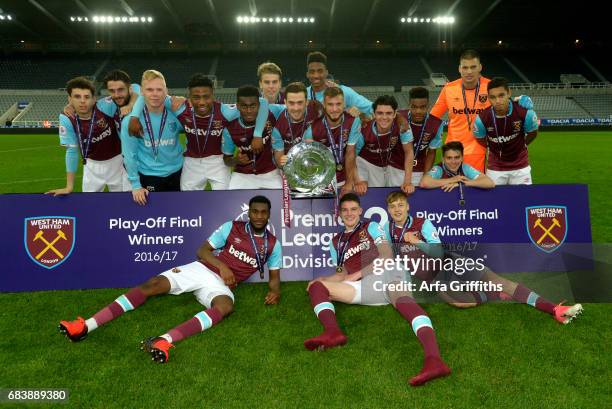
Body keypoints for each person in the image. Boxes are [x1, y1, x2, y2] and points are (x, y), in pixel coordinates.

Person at [59, 195, 282, 363]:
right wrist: (222, 266)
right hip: (203, 269)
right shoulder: (232, 227)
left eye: (264, 212)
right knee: (152, 285)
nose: (259, 216)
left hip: (220, 286)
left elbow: (274, 278)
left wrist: (275, 291)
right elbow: (202, 251)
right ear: (249, 213)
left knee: (226, 307)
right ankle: (85, 326)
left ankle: (164, 340)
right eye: (255, 212)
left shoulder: (272, 244)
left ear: (268, 214)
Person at [129, 74, 270, 191]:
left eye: (206, 96)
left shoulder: (225, 111)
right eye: (196, 97)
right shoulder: (180, 108)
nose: (202, 102)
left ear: (213, 94)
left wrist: (257, 134)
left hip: (217, 161)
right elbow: (146, 94)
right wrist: (134, 116)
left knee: (225, 198)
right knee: (188, 200)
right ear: (189, 95)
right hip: (191, 162)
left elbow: (262, 102)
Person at [381, 191, 451, 386]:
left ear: (408, 207)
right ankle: (433, 359)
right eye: (393, 206)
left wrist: (416, 241)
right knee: (402, 298)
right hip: (408, 274)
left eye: (400, 205)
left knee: (458, 301)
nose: (397, 209)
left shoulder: (423, 223)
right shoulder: (387, 228)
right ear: (388, 210)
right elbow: (387, 255)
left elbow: (438, 253)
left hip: (432, 272)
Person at [46, 76, 129, 195]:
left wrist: (129, 105)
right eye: (77, 96)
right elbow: (72, 151)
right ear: (69, 99)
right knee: (90, 207)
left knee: (122, 204)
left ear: (94, 99)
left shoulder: (105, 106)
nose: (82, 101)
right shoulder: (67, 118)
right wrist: (69, 187)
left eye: (86, 97)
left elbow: (134, 88)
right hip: (91, 166)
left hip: (118, 162)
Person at [120, 70, 184, 205]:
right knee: (156, 218)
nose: (155, 94)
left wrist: (184, 100)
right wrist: (136, 185)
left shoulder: (176, 114)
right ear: (142, 92)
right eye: (149, 89)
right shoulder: (129, 122)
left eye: (159, 90)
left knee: (179, 215)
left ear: (166, 91)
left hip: (178, 173)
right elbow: (129, 155)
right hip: (149, 176)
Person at [473, 77, 539, 185]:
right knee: (495, 201)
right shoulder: (481, 119)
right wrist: (493, 147)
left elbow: (533, 133)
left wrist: (522, 145)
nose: (498, 101)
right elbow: (480, 140)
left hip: (520, 167)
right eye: (493, 97)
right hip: (495, 168)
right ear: (488, 98)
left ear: (509, 93)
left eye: (501, 95)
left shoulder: (525, 113)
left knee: (524, 200)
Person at [346, 95, 414, 195]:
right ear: (374, 114)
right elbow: (352, 156)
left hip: (388, 164)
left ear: (395, 114)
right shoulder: (364, 130)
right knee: (366, 192)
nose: (384, 117)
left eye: (389, 113)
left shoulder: (403, 126)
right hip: (365, 163)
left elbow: (409, 152)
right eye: (380, 113)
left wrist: (408, 181)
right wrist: (357, 180)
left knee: (396, 194)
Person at [303, 87, 362, 193]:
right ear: (324, 105)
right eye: (330, 104)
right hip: (322, 178)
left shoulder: (353, 121)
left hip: (346, 174)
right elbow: (309, 162)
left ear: (344, 104)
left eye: (338, 104)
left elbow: (350, 152)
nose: (334, 109)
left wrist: (349, 182)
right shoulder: (312, 130)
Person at [222, 86, 282, 189]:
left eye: (253, 106)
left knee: (281, 201)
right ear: (237, 106)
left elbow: (294, 109)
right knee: (232, 201)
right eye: (244, 106)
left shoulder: (272, 113)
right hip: (242, 174)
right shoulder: (230, 129)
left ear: (260, 105)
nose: (249, 111)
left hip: (270, 173)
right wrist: (236, 160)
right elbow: (227, 159)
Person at [397, 87, 444, 186]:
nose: (418, 111)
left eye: (422, 107)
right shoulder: (399, 117)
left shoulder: (437, 124)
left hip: (419, 170)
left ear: (428, 106)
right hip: (395, 168)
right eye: (414, 107)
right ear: (409, 105)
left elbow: (431, 152)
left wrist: (426, 175)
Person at [305, 51, 373, 117]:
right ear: (307, 74)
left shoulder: (343, 92)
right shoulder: (303, 95)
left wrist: (361, 115)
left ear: (326, 73)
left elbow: (372, 108)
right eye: (312, 72)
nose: (316, 76)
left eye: (320, 71)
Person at [271, 82, 322, 168]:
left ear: (307, 102)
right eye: (291, 103)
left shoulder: (316, 109)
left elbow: (335, 110)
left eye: (300, 103)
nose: (296, 108)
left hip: (312, 160)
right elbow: (279, 161)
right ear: (285, 102)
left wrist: (349, 109)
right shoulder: (278, 126)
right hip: (290, 165)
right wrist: (283, 161)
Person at [420, 141, 495, 192]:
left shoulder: (465, 168)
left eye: (457, 157)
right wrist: (452, 180)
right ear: (443, 159)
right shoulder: (438, 169)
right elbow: (424, 183)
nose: (453, 161)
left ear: (462, 157)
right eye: (449, 158)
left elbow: (490, 183)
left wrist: (461, 184)